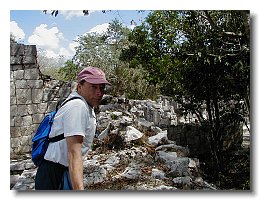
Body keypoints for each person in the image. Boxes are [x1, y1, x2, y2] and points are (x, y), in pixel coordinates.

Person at [35, 66, 111, 190]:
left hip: (60, 171)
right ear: (80, 87)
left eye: (102, 88)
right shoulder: (78, 106)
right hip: (55, 175)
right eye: (93, 87)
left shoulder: (84, 106)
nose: (99, 93)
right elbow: (74, 152)